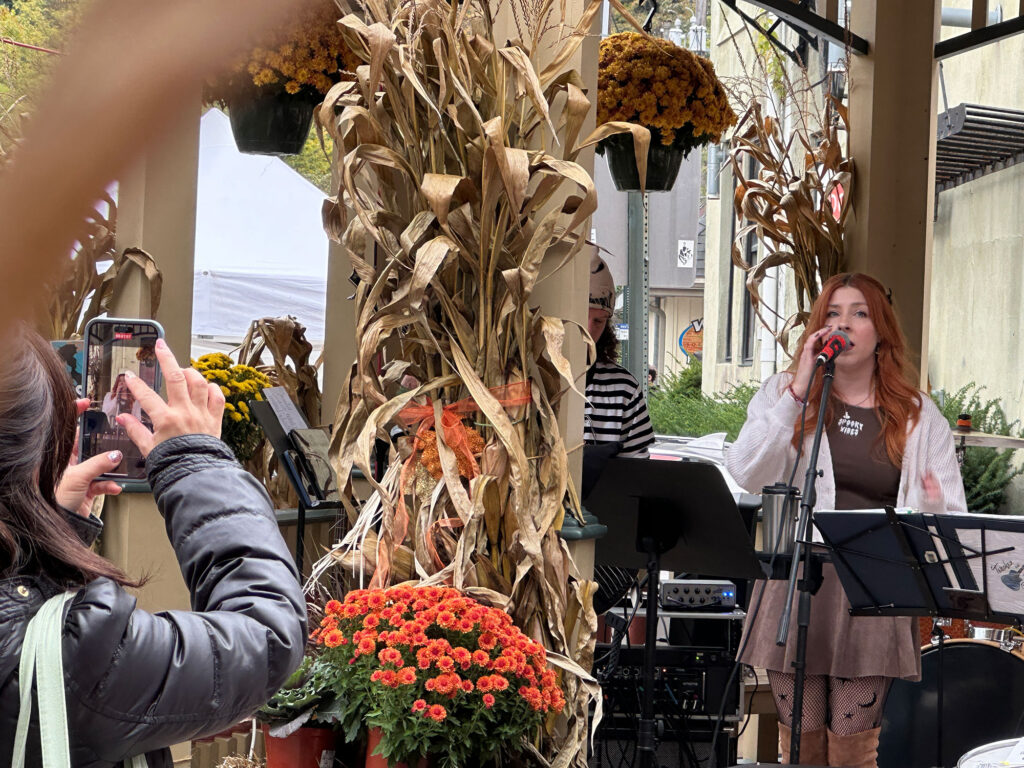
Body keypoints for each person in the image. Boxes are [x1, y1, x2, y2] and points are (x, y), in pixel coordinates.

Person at [0, 329, 307, 767]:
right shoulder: (82, 658)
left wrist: (50, 527)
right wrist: (198, 463)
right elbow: (267, 635)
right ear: (33, 461)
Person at [725, 273, 966, 768]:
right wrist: (797, 389)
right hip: (799, 577)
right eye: (833, 314)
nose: (845, 324)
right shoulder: (784, 393)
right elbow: (745, 470)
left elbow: (950, 517)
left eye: (859, 313)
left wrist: (934, 503)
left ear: (881, 332)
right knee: (800, 747)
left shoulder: (918, 415)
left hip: (876, 583)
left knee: (853, 751)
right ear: (818, 329)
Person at [584, 251, 654, 460]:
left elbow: (635, 478)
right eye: (581, 315)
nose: (588, 330)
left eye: (599, 321)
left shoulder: (624, 389)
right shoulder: (528, 379)